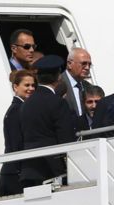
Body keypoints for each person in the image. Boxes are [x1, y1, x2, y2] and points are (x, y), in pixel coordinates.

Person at [19, 55, 76, 187]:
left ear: (38, 77)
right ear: (58, 76)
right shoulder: (58, 103)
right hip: (52, 170)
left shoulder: (26, 104)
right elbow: (66, 139)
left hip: (29, 167)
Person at [0, 70, 36, 196]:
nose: (31, 88)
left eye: (32, 85)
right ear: (15, 87)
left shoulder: (21, 108)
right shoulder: (17, 110)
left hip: (16, 172)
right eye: (26, 85)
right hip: (15, 174)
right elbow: (17, 144)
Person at [61, 48, 93, 118]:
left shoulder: (88, 86)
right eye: (83, 63)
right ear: (69, 64)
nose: (87, 68)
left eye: (89, 64)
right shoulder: (57, 84)